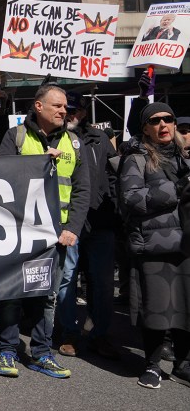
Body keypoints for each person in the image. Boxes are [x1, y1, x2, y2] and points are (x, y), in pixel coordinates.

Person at [0, 84, 89, 379]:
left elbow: (82, 190)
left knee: (47, 295)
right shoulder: (16, 136)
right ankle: (7, 350)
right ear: (38, 106)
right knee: (13, 293)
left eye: (65, 107)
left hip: (57, 236)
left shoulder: (74, 143)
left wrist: (72, 228)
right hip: (19, 231)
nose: (63, 111)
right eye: (57, 105)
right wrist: (37, 165)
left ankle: (42, 353)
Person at [119, 102, 190, 389]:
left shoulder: (185, 158)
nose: (163, 125)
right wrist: (177, 188)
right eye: (155, 120)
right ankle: (152, 364)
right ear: (145, 128)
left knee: (186, 307)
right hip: (154, 246)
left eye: (168, 119)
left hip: (186, 245)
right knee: (156, 309)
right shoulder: (136, 158)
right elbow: (131, 199)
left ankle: (183, 364)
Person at [58, 91, 121, 359]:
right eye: (66, 109)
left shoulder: (100, 139)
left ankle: (99, 334)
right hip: (68, 220)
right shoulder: (55, 138)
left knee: (103, 282)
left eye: (75, 110)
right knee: (67, 280)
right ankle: (68, 333)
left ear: (84, 112)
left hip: (100, 221)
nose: (70, 114)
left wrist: (113, 205)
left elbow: (116, 175)